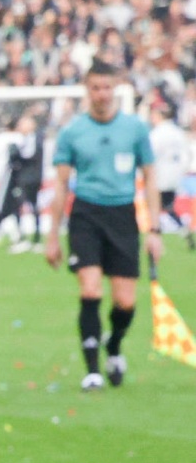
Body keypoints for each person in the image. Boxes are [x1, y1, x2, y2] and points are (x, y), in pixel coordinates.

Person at [47, 62, 162, 391]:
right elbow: (60, 186)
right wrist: (53, 236)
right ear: (87, 90)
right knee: (90, 289)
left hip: (123, 215)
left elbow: (150, 177)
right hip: (86, 215)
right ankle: (93, 370)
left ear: (115, 88)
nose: (102, 94)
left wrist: (153, 230)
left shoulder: (135, 129)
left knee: (125, 302)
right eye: (95, 88)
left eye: (107, 87)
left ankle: (113, 346)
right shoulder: (73, 132)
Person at [0, 114, 45, 252]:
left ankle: (29, 238)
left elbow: (28, 156)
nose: (20, 127)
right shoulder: (27, 139)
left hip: (28, 178)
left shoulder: (34, 139)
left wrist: (15, 154)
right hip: (28, 177)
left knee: (22, 205)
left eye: (23, 124)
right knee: (25, 206)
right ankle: (28, 238)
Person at [148, 101, 190, 248]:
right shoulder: (178, 132)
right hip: (174, 176)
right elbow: (186, 155)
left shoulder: (157, 133)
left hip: (159, 176)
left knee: (156, 206)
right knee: (168, 206)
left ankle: (156, 236)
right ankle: (184, 231)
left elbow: (149, 155)